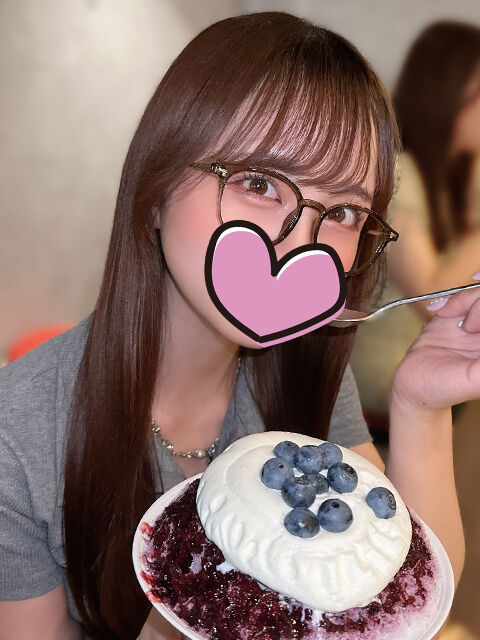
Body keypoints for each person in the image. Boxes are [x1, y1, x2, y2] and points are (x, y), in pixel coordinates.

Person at [0, 12, 479, 640]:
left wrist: (419, 405)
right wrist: (196, 601)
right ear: (156, 188)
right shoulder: (18, 435)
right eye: (259, 183)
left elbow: (404, 604)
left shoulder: (304, 365)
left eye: (341, 211)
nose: (300, 245)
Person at [351, 20, 480, 425]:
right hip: (380, 384)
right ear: (447, 95)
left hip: (426, 370)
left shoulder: (449, 177)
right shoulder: (400, 173)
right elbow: (432, 298)